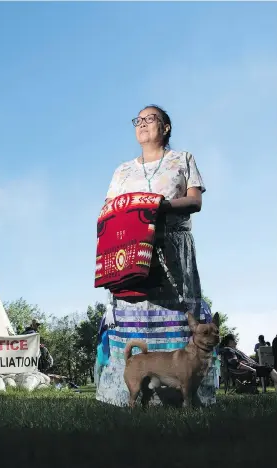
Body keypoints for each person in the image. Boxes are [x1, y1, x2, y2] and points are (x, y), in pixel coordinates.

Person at [95, 104, 216, 407]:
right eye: (139, 120)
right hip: (132, 251)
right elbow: (109, 208)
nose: (143, 123)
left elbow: (195, 201)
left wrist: (159, 208)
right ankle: (131, 394)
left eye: (151, 119)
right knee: (134, 309)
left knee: (177, 311)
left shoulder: (182, 159)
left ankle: (181, 393)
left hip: (171, 246)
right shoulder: (123, 170)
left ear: (166, 128)